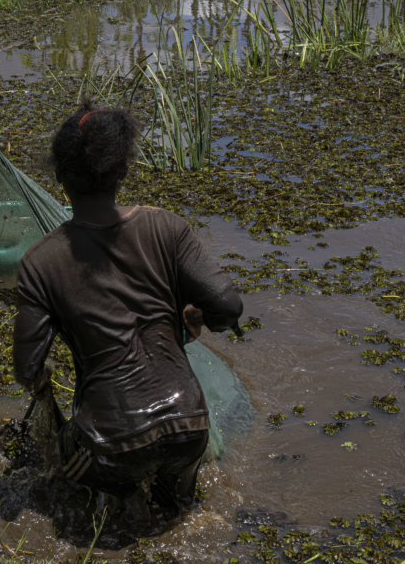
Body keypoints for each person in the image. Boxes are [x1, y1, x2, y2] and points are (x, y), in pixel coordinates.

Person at [12, 104, 244, 517]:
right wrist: (195, 319)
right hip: (190, 425)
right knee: (178, 512)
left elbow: (27, 369)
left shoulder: (40, 261)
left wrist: (42, 379)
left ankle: (122, 504)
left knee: (60, 468)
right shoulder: (167, 227)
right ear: (122, 171)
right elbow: (227, 306)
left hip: (113, 440)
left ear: (60, 176)